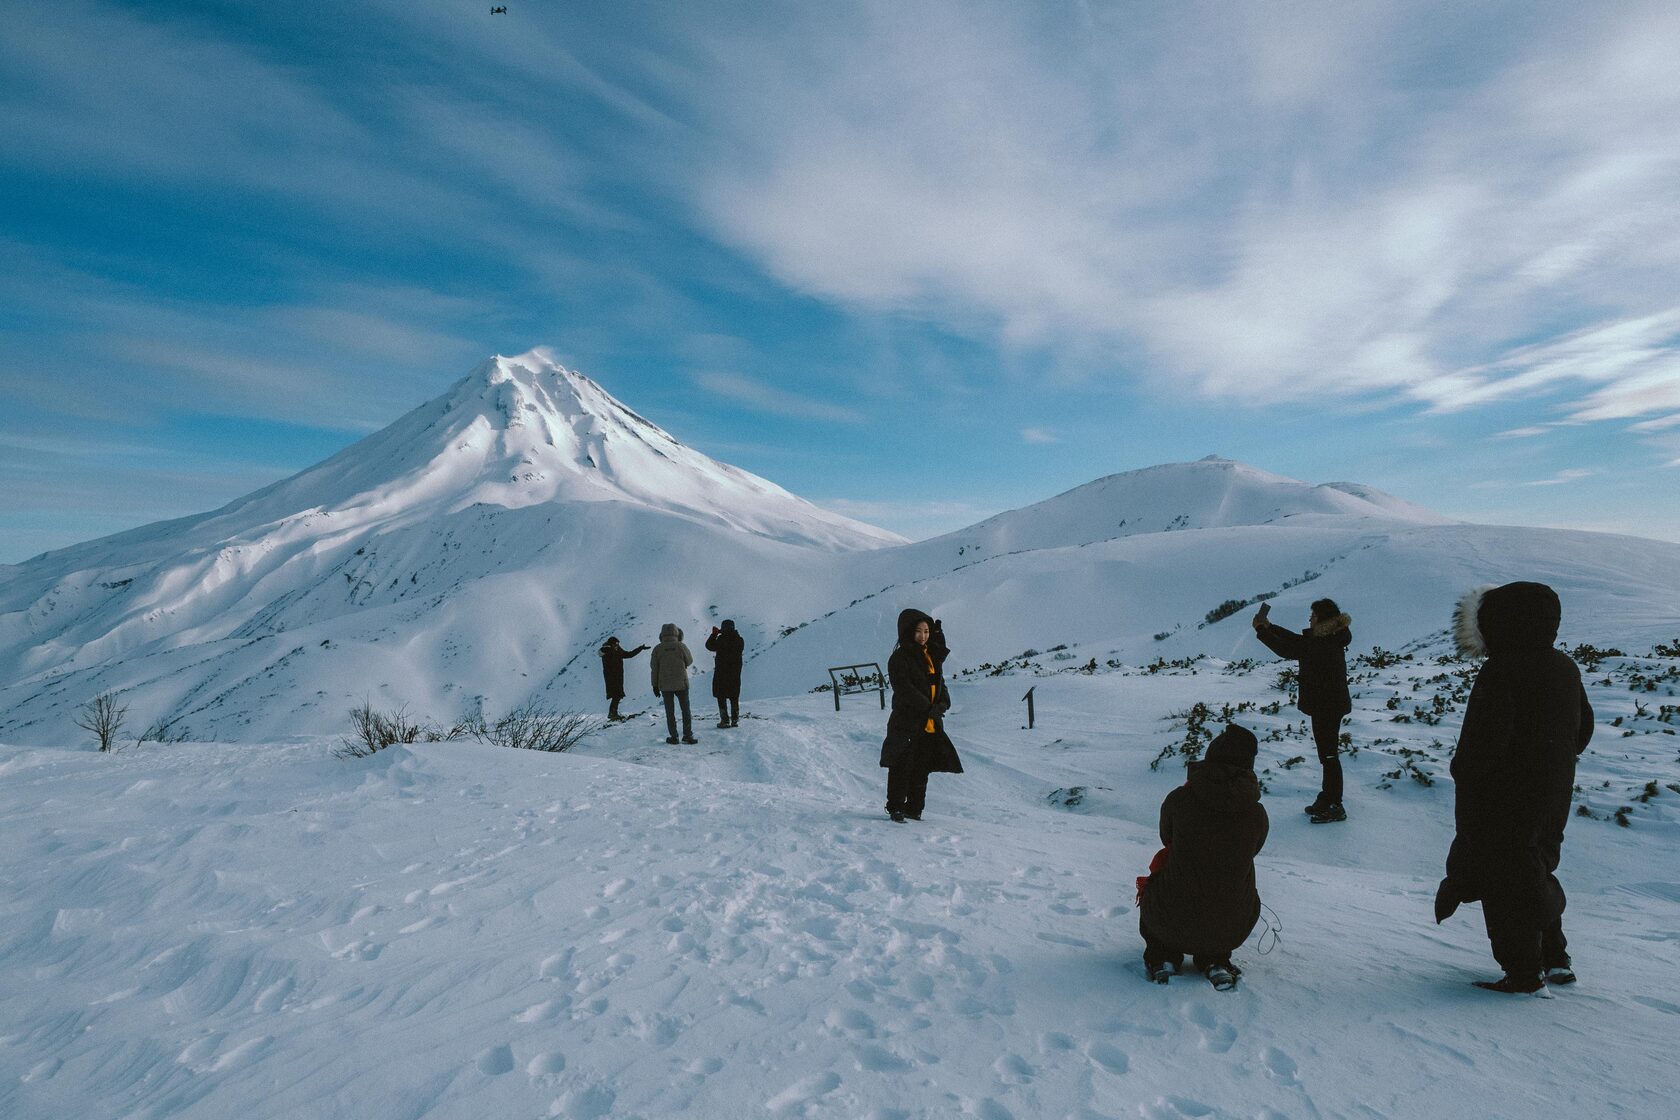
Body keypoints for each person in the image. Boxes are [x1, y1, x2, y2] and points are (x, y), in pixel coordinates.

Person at [1434, 582, 1594, 994]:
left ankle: (1523, 972)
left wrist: (1465, 773)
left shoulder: (1502, 669)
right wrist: (1553, 760)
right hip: (1553, 792)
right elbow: (1584, 728)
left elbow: (1482, 742)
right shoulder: (1564, 666)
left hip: (1503, 796)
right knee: (1536, 867)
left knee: (1503, 878)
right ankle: (1556, 959)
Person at [1138, 724, 1270, 990]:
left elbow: (1168, 839)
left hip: (1171, 917)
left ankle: (1163, 956)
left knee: (1155, 884)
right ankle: (1215, 959)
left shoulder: (1180, 799)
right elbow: (1253, 850)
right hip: (1233, 924)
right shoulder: (1256, 813)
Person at [1252, 598, 1353, 823]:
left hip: (1327, 705)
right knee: (1327, 755)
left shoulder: (1324, 643)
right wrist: (1271, 627)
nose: (1310, 619)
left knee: (1329, 755)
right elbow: (1299, 642)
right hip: (1327, 704)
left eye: (1314, 615)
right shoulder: (1329, 637)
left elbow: (1289, 649)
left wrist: (1261, 631)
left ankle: (1334, 803)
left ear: (1323, 618)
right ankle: (1328, 798)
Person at [880, 609, 963, 822]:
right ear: (907, 632)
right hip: (906, 722)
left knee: (921, 767)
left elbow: (940, 683)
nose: (923, 636)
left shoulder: (932, 656)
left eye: (926, 631)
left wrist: (943, 703)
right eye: (918, 631)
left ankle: (915, 809)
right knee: (901, 764)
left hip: (929, 723)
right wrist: (929, 708)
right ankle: (896, 807)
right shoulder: (899, 658)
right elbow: (904, 689)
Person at [650, 622, 697, 745]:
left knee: (669, 712)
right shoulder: (681, 646)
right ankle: (687, 735)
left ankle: (674, 737)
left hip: (665, 685)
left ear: (662, 634)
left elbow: (654, 669)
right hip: (681, 683)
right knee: (685, 709)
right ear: (677, 633)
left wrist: (654, 685)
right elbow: (690, 661)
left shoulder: (657, 648)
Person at [597, 636, 649, 721]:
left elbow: (629, 654)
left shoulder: (615, 650)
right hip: (612, 676)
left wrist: (640, 648)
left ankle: (613, 713)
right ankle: (612, 713)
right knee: (617, 694)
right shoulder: (608, 650)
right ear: (612, 643)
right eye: (616, 644)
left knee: (617, 694)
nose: (617, 645)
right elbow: (627, 655)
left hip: (617, 675)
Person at [705, 620, 745, 728]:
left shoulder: (721, 640)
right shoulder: (739, 640)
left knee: (721, 696)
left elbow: (709, 646)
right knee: (734, 696)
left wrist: (714, 634)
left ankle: (725, 720)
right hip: (735, 674)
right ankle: (735, 719)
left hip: (721, 673)